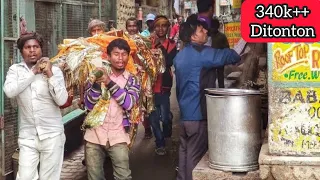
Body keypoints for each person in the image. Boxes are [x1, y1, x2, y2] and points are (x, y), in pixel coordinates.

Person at [175, 17, 241, 180]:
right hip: (198, 115)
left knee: (184, 154)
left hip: (185, 115)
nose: (205, 31)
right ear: (193, 37)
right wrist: (246, 38)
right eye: (200, 30)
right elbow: (232, 56)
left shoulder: (180, 56)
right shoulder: (202, 54)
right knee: (195, 158)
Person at [3, 32, 68, 179]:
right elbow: (9, 91)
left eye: (36, 47)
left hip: (52, 135)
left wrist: (50, 75)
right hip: (28, 136)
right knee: (25, 177)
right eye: (28, 47)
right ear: (21, 51)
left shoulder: (55, 71)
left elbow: (62, 100)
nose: (32, 50)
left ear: (41, 49)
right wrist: (33, 72)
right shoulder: (16, 70)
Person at [84, 38, 140, 180]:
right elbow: (89, 105)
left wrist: (108, 82)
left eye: (124, 54)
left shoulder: (133, 80)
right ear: (108, 56)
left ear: (129, 56)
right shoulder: (96, 75)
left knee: (123, 176)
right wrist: (97, 83)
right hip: (94, 135)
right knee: (94, 177)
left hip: (119, 136)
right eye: (116, 54)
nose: (120, 58)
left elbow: (128, 103)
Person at [149, 15, 177, 155]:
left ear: (168, 28)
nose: (160, 29)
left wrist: (159, 48)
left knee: (165, 118)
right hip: (149, 87)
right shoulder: (147, 42)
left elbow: (169, 62)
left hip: (164, 86)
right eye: (157, 26)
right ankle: (160, 144)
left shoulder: (171, 44)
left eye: (163, 26)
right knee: (153, 118)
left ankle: (168, 123)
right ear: (154, 28)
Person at [125, 17, 153, 139]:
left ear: (138, 27)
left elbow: (148, 59)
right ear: (126, 27)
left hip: (141, 75)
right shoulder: (122, 40)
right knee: (130, 104)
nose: (132, 28)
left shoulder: (144, 41)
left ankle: (147, 128)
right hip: (127, 76)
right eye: (129, 26)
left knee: (143, 103)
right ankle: (129, 133)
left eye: (134, 26)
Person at [211, 18, 230, 88]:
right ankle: (212, 90)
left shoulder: (222, 36)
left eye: (214, 26)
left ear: (217, 27)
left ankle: (221, 90)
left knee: (220, 76)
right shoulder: (208, 36)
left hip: (220, 59)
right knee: (211, 76)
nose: (212, 28)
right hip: (211, 59)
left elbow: (227, 47)